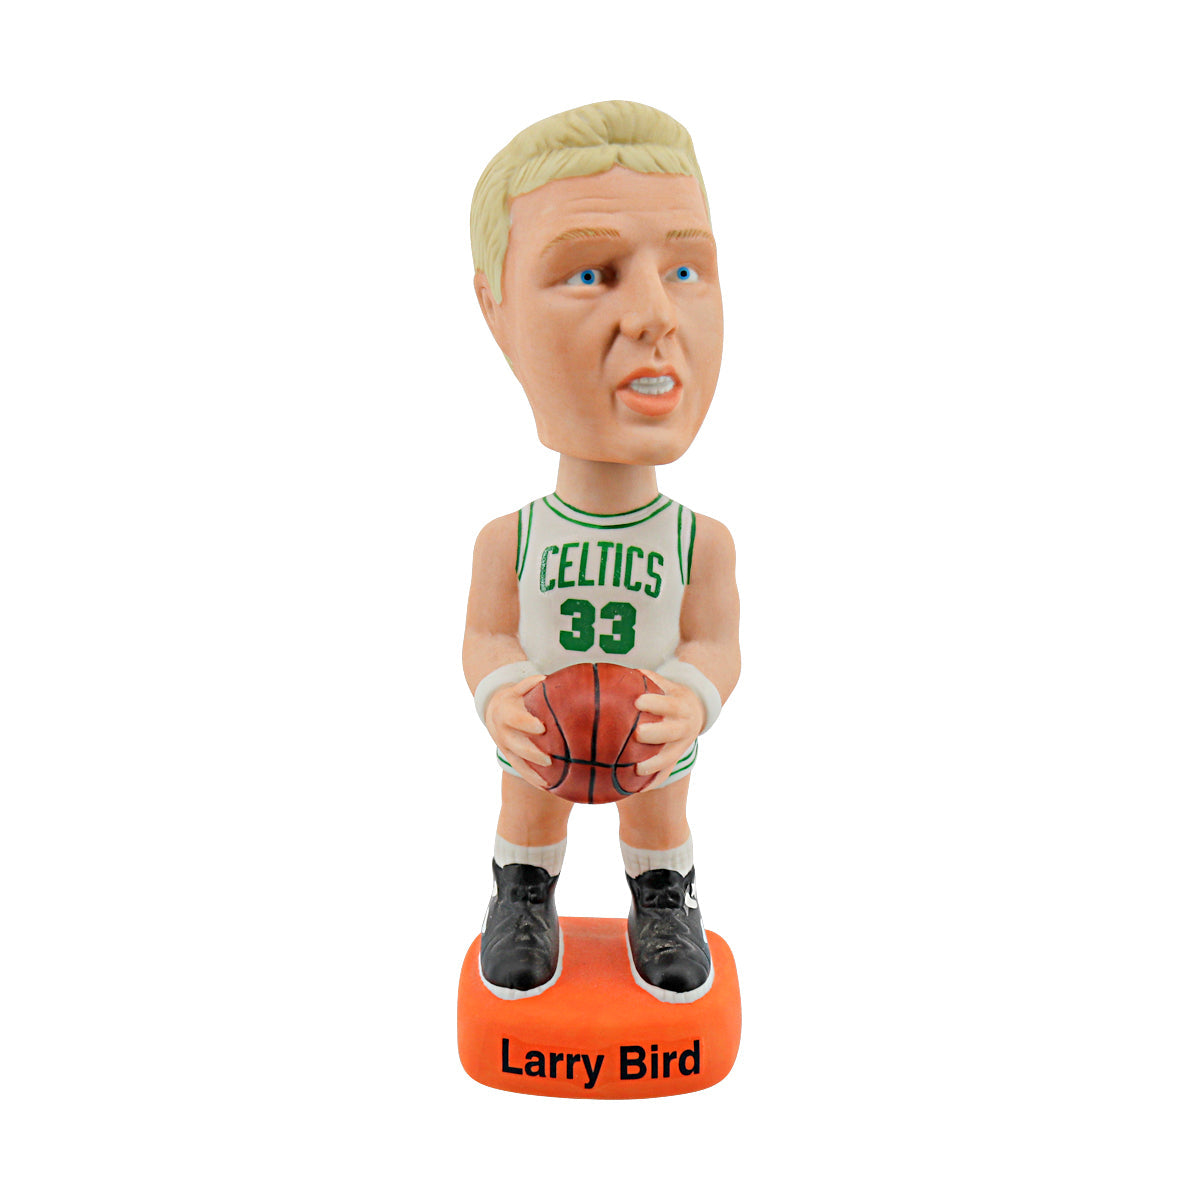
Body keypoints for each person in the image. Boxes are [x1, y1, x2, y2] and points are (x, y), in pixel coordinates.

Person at [463, 101, 740, 1004]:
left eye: (686, 268)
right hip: (544, 736)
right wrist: (504, 693)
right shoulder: (511, 539)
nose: (656, 314)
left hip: (649, 741)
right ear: (495, 309)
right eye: (591, 273)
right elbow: (485, 638)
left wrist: (691, 700)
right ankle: (521, 893)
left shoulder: (700, 542)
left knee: (659, 813)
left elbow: (716, 647)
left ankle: (663, 899)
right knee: (528, 802)